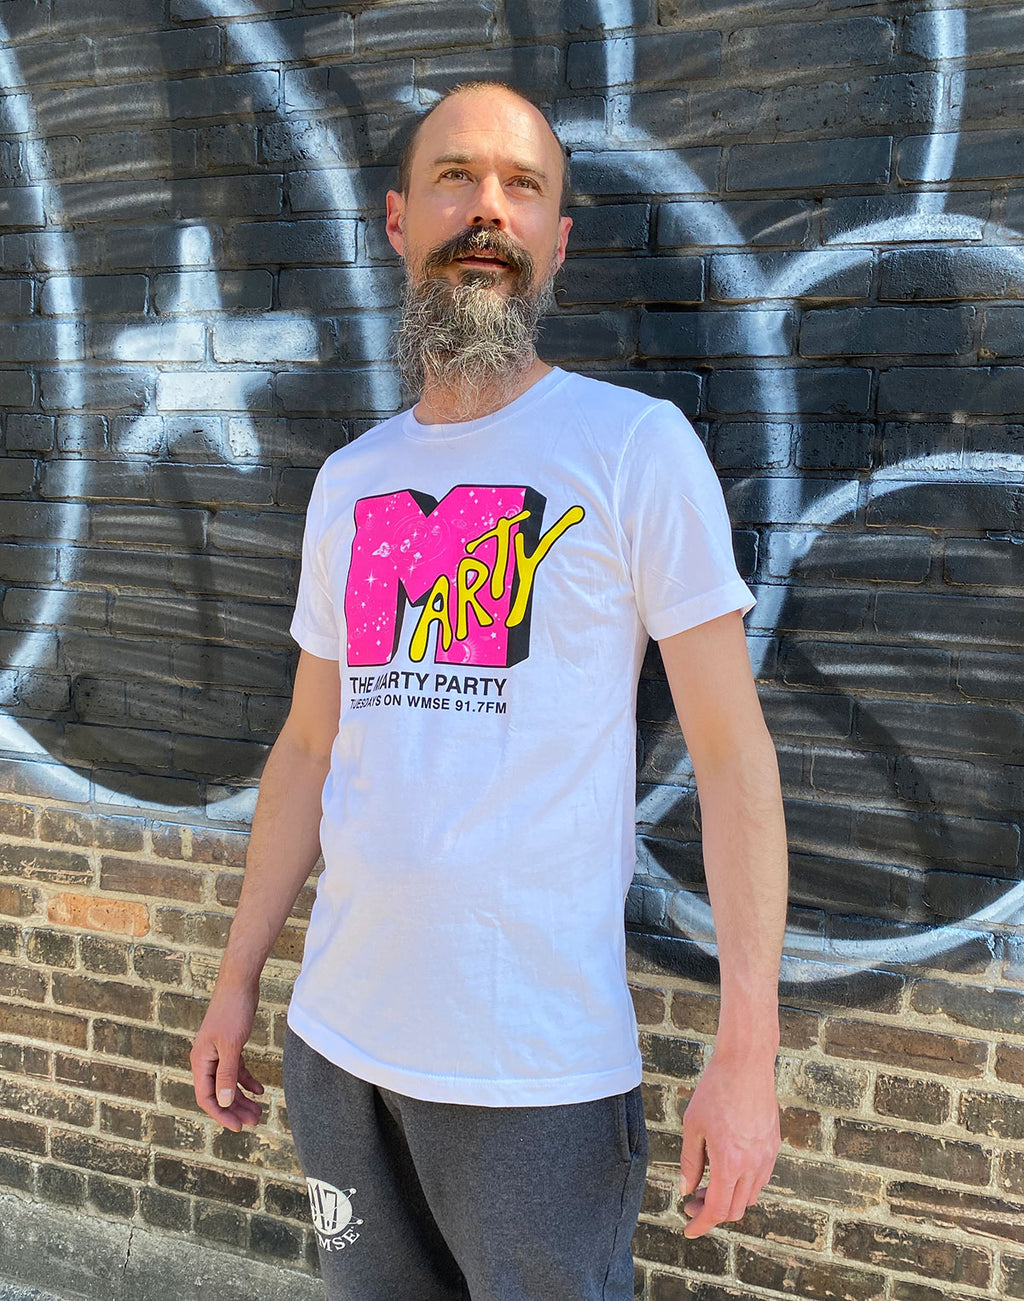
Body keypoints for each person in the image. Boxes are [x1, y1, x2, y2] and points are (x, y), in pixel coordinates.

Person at [190, 80, 789, 1301]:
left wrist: (747, 1049)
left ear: (555, 242)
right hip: (339, 1047)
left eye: (523, 188)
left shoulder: (632, 447)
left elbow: (732, 757)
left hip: (535, 1081)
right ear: (398, 220)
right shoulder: (352, 482)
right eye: (457, 178)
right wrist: (239, 973)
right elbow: (309, 747)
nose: (488, 211)